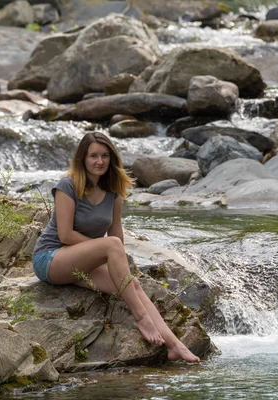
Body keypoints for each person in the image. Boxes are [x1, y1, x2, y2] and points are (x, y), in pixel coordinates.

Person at [32, 132, 200, 363]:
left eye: (104, 156)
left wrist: (120, 262)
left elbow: (115, 234)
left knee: (133, 285)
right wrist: (108, 250)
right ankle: (141, 318)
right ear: (82, 159)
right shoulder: (67, 186)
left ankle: (175, 346)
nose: (99, 161)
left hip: (81, 262)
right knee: (112, 247)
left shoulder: (114, 192)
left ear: (111, 159)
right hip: (50, 259)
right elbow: (66, 234)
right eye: (93, 156)